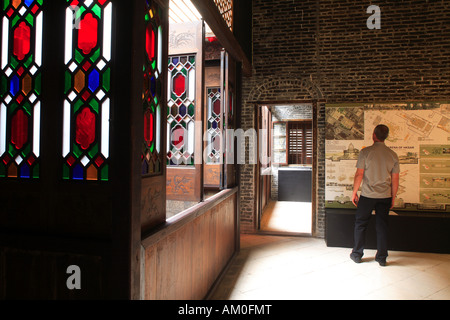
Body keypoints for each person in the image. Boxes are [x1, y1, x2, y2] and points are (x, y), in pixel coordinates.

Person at [350, 124, 400, 266]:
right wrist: (393, 197)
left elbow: (359, 174)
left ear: (374, 135)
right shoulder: (393, 155)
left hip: (367, 196)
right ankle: (382, 258)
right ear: (386, 137)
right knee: (382, 226)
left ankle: (357, 254)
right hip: (385, 196)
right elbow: (395, 179)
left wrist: (354, 193)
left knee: (360, 224)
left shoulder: (365, 153)